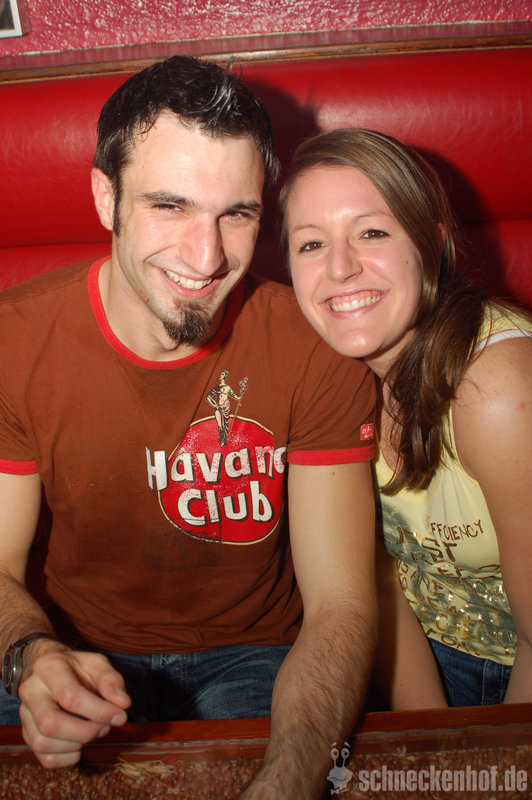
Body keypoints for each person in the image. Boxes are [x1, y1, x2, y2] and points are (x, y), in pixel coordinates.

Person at [0, 58, 378, 798]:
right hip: (68, 644)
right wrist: (32, 654)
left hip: (255, 656)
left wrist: (293, 777)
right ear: (105, 197)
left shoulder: (313, 345)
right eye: (170, 206)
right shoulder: (14, 343)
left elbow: (341, 603)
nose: (208, 259)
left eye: (237, 214)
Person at [281, 127, 532, 710]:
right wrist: (429, 738)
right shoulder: (325, 375)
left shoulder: (497, 391)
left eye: (372, 232)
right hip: (422, 658)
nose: (340, 268)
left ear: (431, 243)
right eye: (311, 244)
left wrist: (485, 754)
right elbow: (379, 581)